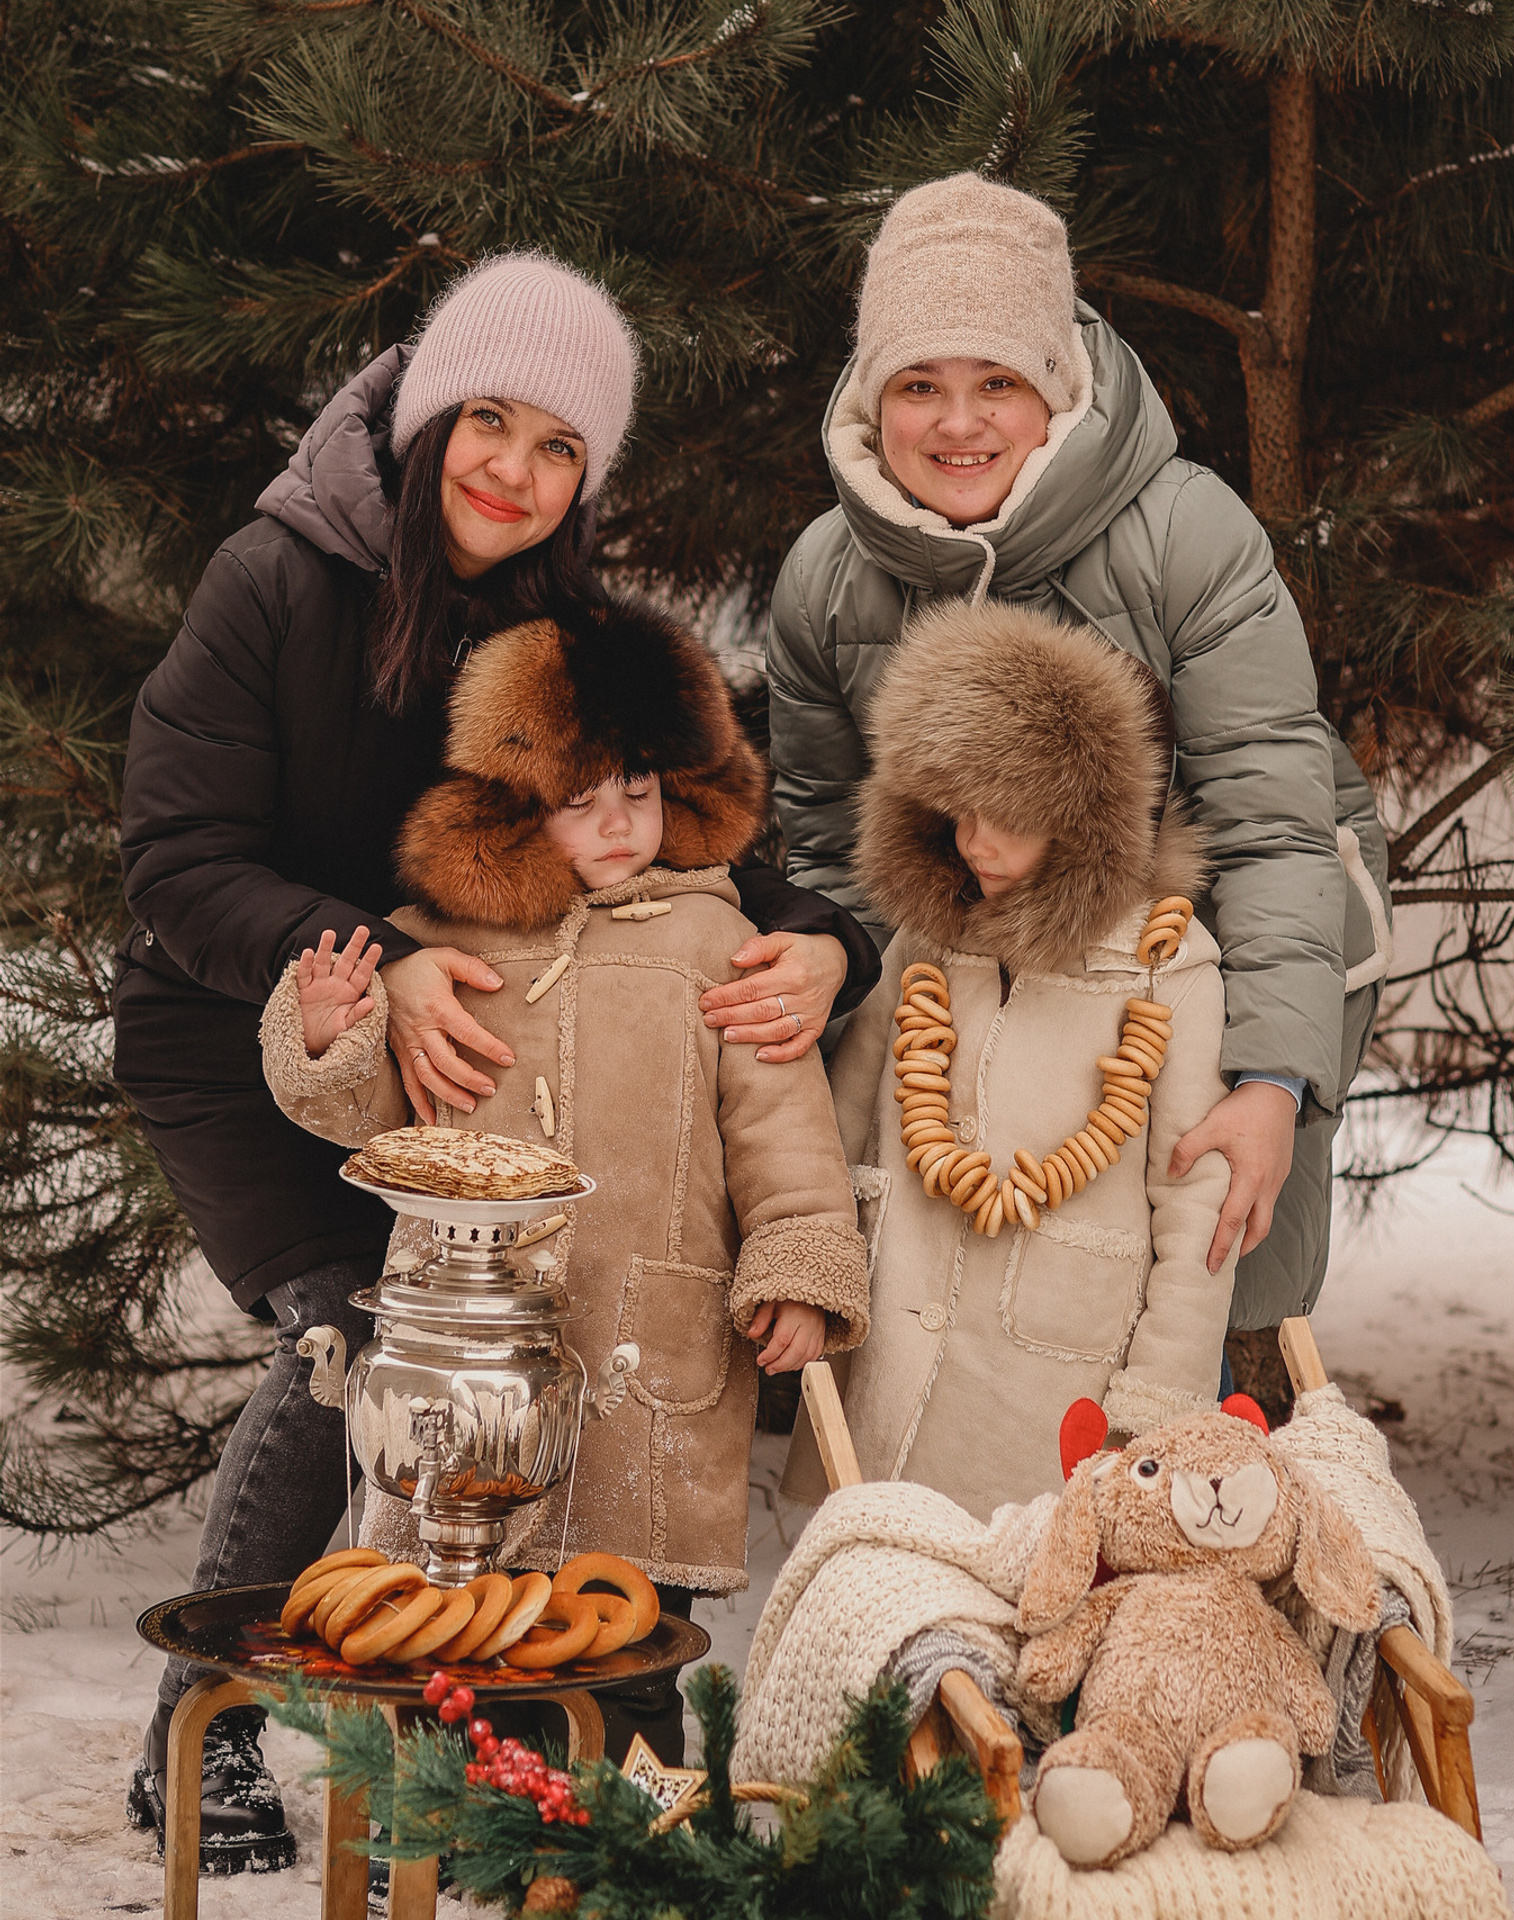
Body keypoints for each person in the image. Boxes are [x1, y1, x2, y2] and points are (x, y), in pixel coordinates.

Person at [114, 252, 878, 1869]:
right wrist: (375, 966)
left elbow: (684, 815)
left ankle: (494, 1717)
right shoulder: (274, 577)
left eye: (558, 452)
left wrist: (830, 939)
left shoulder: (559, 620)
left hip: (476, 1032)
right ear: (426, 416)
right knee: (350, 1333)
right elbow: (175, 859)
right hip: (242, 1011)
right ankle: (209, 1729)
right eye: (491, 423)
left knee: (508, 1359)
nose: (512, 472)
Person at [765, 173, 1389, 1372]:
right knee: (966, 1340)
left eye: (998, 380)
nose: (960, 424)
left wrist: (1272, 1081)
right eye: (920, 385)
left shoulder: (1184, 537)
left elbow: (1273, 828)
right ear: (871, 396)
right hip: (975, 995)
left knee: (1175, 1325)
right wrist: (827, 972)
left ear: (1057, 388)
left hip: (1189, 980)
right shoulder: (827, 581)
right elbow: (834, 851)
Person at [259, 594, 870, 1764]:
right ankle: (436, 1829)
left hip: (653, 1350)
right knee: (450, 1627)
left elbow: (784, 1134)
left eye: (638, 793)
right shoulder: (445, 945)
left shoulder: (717, 942)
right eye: (581, 801)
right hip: (465, 1359)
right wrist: (337, 1038)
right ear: (513, 808)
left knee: (630, 1645)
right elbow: (373, 1125)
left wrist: (800, 1264)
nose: (619, 825)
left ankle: (633, 1845)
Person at [790, 601, 1235, 1517]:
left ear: (1087, 819)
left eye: (1009, 816)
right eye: (957, 810)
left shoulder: (1166, 969)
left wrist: (1152, 1404)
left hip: (1053, 1394)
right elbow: (837, 1136)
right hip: (887, 1374)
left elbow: (1196, 1210)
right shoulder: (922, 941)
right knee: (874, 1604)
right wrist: (813, 1278)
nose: (974, 843)